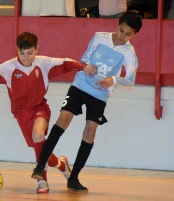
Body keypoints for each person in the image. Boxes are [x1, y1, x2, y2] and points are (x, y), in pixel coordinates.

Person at [0, 32, 97, 193]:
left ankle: (42, 181)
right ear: (16, 50)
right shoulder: (8, 67)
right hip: (21, 114)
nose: (26, 57)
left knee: (38, 135)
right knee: (39, 148)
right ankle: (62, 165)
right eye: (22, 53)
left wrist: (84, 67)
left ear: (36, 49)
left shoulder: (44, 63)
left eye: (30, 53)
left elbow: (67, 63)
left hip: (40, 108)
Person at [31, 10, 143, 192]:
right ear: (118, 25)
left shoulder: (129, 53)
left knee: (90, 133)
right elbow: (83, 59)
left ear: (134, 35)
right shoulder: (99, 38)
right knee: (63, 119)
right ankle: (40, 166)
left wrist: (112, 80)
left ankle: (73, 178)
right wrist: (85, 67)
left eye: (128, 34)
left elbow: (130, 81)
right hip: (80, 85)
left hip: (99, 94)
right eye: (122, 30)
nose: (123, 36)